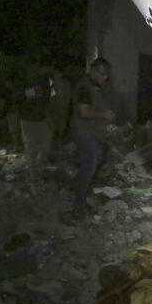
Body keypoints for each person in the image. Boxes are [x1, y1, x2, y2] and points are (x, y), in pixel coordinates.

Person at [70, 57, 116, 212]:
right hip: (85, 134)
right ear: (94, 71)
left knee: (95, 161)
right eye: (103, 74)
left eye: (107, 75)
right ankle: (78, 203)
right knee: (89, 167)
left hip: (92, 134)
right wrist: (104, 115)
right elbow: (84, 111)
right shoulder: (84, 87)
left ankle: (80, 191)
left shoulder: (94, 87)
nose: (105, 78)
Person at [17, 65, 55, 193]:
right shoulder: (22, 83)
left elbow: (48, 100)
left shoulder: (45, 82)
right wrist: (31, 93)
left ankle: (37, 170)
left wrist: (50, 119)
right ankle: (33, 176)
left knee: (46, 147)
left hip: (42, 120)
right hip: (27, 120)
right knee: (30, 149)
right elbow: (17, 97)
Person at [49, 67, 72, 142]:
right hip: (53, 108)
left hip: (63, 108)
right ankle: (53, 142)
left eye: (58, 73)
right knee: (53, 127)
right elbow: (50, 96)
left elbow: (68, 96)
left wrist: (66, 106)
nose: (57, 75)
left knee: (62, 127)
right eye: (55, 73)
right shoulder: (51, 83)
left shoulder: (66, 83)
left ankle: (60, 141)